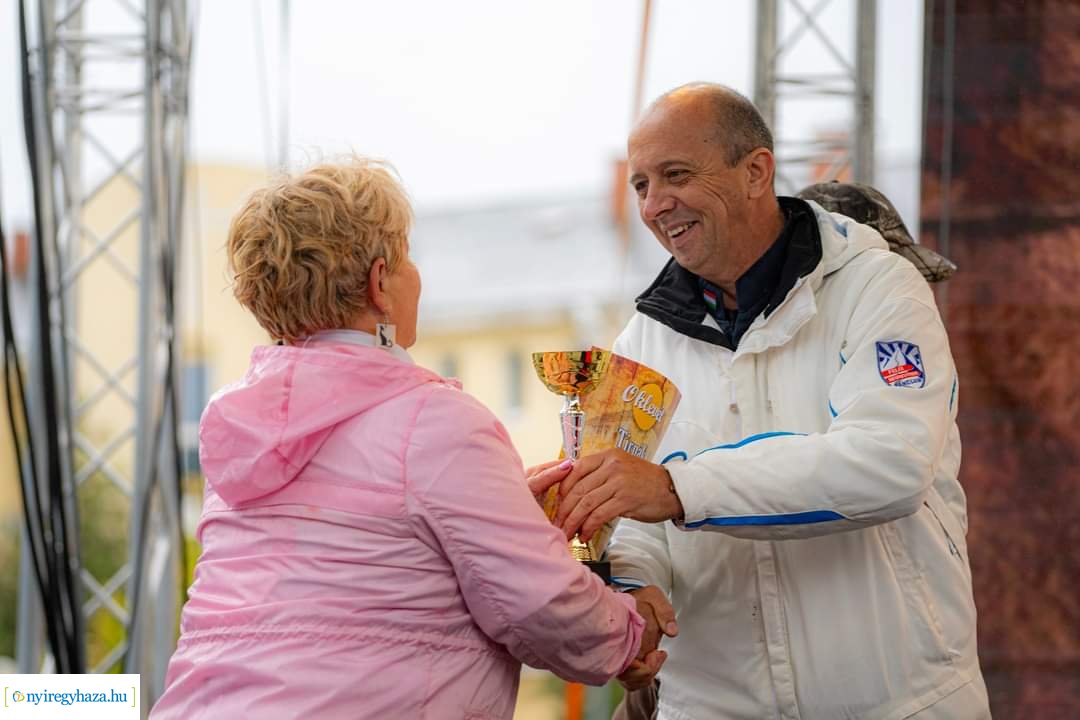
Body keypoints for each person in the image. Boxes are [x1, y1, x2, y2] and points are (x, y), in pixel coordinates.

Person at [150, 158, 673, 719]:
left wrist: (503, 508)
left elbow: (350, 565)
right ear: (379, 283)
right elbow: (545, 608)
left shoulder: (240, 426)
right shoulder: (437, 423)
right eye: (406, 257)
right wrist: (629, 628)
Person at [545, 84, 990, 719]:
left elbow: (889, 465)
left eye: (676, 175)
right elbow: (628, 517)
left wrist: (679, 489)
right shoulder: (639, 341)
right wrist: (635, 594)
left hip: (901, 701)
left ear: (756, 171)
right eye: (641, 184)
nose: (655, 204)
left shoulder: (879, 287)